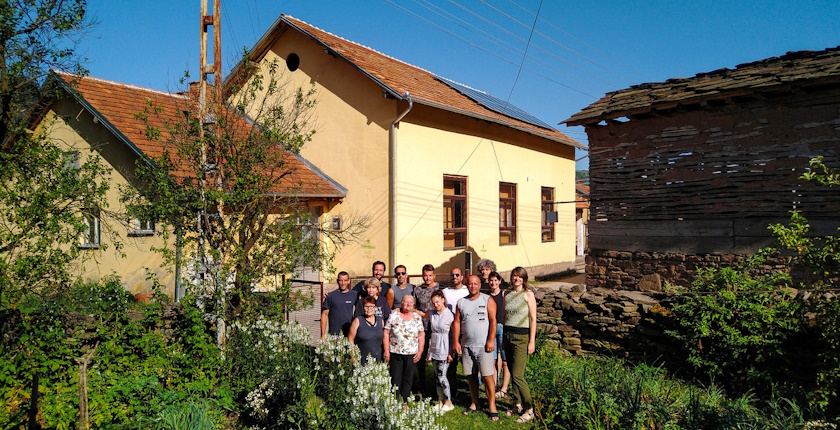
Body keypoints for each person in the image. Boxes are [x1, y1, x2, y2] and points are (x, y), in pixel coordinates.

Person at [452, 274, 498, 421]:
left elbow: (493, 321)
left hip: (484, 346)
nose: (473, 286)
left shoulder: (487, 300)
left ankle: (492, 406)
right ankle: (475, 402)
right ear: (467, 285)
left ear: (479, 285)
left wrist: (491, 340)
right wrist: (456, 342)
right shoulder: (461, 302)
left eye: (475, 284)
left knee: (487, 376)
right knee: (471, 376)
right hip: (467, 345)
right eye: (470, 284)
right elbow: (457, 323)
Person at [503, 266, 537, 423]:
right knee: (511, 370)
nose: (516, 279)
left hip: (522, 337)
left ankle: (530, 409)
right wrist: (503, 338)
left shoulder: (528, 294)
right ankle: (517, 404)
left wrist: (532, 341)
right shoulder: (507, 294)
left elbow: (533, 319)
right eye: (514, 276)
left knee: (517, 375)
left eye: (519, 276)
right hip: (508, 335)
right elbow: (505, 316)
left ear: (524, 278)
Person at [384, 295, 425, 401]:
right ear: (401, 303)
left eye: (411, 303)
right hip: (395, 352)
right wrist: (386, 350)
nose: (408, 304)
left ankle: (405, 400)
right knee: (395, 378)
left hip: (411, 353)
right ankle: (394, 401)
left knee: (408, 378)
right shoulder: (394, 316)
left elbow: (421, 335)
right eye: (406, 302)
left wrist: (420, 351)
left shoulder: (417, 317)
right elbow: (386, 332)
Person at [412, 263, 439, 392]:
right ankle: (422, 385)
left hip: (436, 327)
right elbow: (414, 307)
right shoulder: (418, 290)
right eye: (425, 275)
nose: (427, 278)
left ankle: (437, 385)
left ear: (434, 275)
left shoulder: (440, 289)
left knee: (436, 357)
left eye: (430, 275)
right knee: (421, 356)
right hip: (422, 327)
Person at [427, 290, 455, 413]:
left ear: (443, 300)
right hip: (434, 347)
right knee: (436, 376)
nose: (436, 305)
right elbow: (422, 314)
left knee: (442, 376)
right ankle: (440, 400)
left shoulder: (450, 314)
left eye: (437, 302)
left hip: (445, 347)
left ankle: (449, 401)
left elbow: (454, 334)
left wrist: (451, 352)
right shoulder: (432, 314)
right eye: (433, 303)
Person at [488, 271, 510, 399]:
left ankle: (504, 388)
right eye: (491, 280)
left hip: (502, 327)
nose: (493, 283)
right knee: (493, 360)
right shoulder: (487, 296)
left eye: (496, 280)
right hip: (491, 328)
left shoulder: (504, 295)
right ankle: (494, 385)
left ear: (500, 281)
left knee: (505, 359)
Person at [320, 271, 359, 339]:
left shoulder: (354, 295)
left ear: (349, 281)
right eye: (341, 280)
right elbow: (324, 315)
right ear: (337, 281)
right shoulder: (330, 296)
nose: (343, 283)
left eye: (345, 280)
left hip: (349, 333)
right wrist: (323, 335)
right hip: (334, 335)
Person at [348, 296, 384, 365]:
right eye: (366, 306)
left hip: (378, 360)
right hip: (362, 360)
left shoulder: (380, 321)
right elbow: (350, 339)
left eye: (371, 306)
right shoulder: (358, 321)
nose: (369, 309)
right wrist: (353, 356)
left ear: (375, 307)